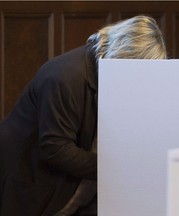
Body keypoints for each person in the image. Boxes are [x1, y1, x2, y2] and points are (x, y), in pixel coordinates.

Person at [0, 15, 167, 216]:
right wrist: (118, 169)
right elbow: (55, 148)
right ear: (124, 55)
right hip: (27, 182)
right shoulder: (63, 77)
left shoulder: (103, 69)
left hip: (65, 185)